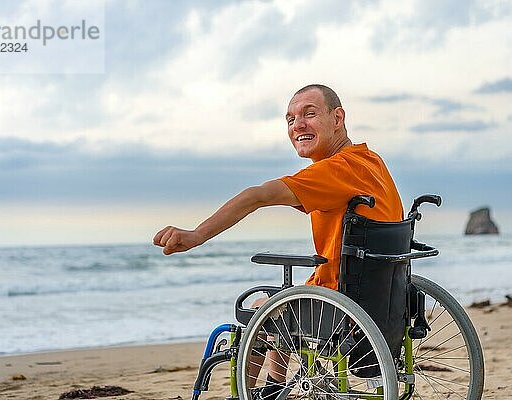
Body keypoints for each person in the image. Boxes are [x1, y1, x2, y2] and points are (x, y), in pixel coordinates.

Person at [153, 84, 403, 396]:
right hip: (386, 298)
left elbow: (257, 196)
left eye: (309, 114)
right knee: (285, 301)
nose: (298, 125)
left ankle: (265, 389)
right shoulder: (370, 162)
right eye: (290, 119)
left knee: (263, 308)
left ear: (337, 117)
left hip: (342, 304)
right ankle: (274, 385)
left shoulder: (335, 171)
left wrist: (196, 235)